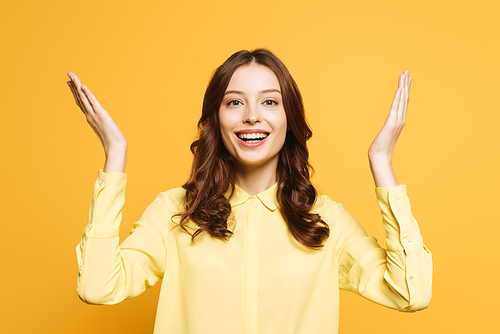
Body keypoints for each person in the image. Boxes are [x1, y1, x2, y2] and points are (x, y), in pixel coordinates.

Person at [68, 48, 432, 334]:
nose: (252, 116)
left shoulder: (324, 220)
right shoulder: (176, 211)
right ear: (216, 119)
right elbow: (99, 287)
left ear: (289, 119)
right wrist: (115, 153)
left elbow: (410, 293)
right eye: (235, 102)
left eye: (270, 101)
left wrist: (381, 160)